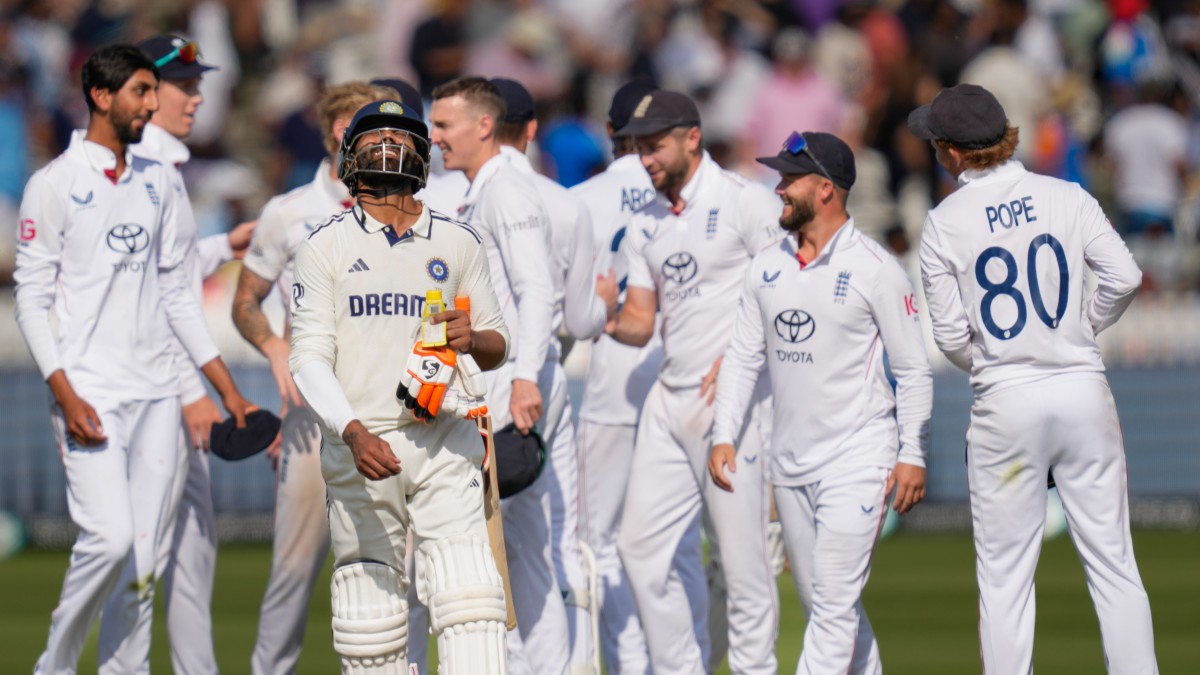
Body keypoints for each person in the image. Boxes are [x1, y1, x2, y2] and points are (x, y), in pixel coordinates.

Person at [14, 44, 254, 673]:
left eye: (154, 91)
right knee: (110, 539)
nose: (152, 104)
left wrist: (224, 387)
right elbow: (30, 301)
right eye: (141, 92)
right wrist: (64, 391)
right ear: (101, 96)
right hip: (90, 393)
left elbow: (177, 295)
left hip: (159, 397)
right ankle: (53, 666)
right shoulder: (53, 184)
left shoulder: (160, 179)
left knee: (144, 564)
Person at [911, 83, 1159, 674]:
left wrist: (999, 361)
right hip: (1081, 391)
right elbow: (1125, 277)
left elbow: (950, 337)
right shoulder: (1065, 195)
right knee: (1114, 563)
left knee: (1004, 581)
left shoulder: (944, 222)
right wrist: (1080, 327)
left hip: (1006, 402)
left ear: (953, 152)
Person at [288, 98, 511, 674]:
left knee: (470, 599)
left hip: (444, 435)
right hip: (360, 444)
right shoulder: (324, 245)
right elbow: (308, 358)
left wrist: (472, 338)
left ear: (422, 155)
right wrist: (352, 432)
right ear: (348, 156)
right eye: (373, 135)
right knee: (370, 624)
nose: (387, 143)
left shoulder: (458, 241)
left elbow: (499, 345)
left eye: (401, 135)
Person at [710, 131, 933, 674]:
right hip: (789, 464)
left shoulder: (876, 269)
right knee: (830, 611)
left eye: (790, 179)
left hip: (858, 458)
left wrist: (912, 452)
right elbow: (742, 358)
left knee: (832, 609)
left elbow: (912, 369)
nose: (779, 189)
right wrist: (723, 434)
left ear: (826, 189)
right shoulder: (766, 266)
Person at [603, 89, 782, 675]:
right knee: (639, 548)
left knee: (744, 563)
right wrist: (605, 314)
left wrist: (741, 354)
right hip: (670, 396)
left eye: (655, 146)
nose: (645, 158)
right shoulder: (645, 222)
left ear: (692, 137)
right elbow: (641, 322)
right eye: (637, 147)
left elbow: (787, 287)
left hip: (731, 402)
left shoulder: (745, 202)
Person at [233, 80, 396, 674]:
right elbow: (245, 302)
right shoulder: (289, 213)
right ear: (335, 131)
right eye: (361, 126)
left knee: (397, 566)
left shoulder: (402, 204)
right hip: (312, 415)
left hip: (388, 408)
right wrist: (275, 347)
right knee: (294, 567)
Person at [428, 76, 566, 674]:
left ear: (484, 125)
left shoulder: (504, 191)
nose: (434, 137)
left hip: (512, 392)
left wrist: (526, 377)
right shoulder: (482, 190)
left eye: (444, 125)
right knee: (520, 555)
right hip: (504, 387)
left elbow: (538, 290)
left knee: (504, 557)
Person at [135, 34, 255, 675]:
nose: (197, 96)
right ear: (143, 91)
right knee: (138, 557)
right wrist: (191, 396)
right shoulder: (142, 167)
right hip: (147, 391)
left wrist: (224, 246)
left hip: (164, 385)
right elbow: (154, 296)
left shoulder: (162, 165)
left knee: (191, 551)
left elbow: (172, 271)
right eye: (183, 85)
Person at [491, 76, 613, 674]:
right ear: (532, 129)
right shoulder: (566, 202)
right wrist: (605, 303)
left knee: (499, 547)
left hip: (500, 384)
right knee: (556, 540)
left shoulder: (466, 196)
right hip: (550, 377)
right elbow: (585, 320)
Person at [568, 77, 661, 675]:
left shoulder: (581, 198)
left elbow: (568, 306)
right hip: (679, 375)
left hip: (613, 376)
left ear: (611, 132)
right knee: (673, 543)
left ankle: (621, 664)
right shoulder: (685, 193)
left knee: (595, 542)